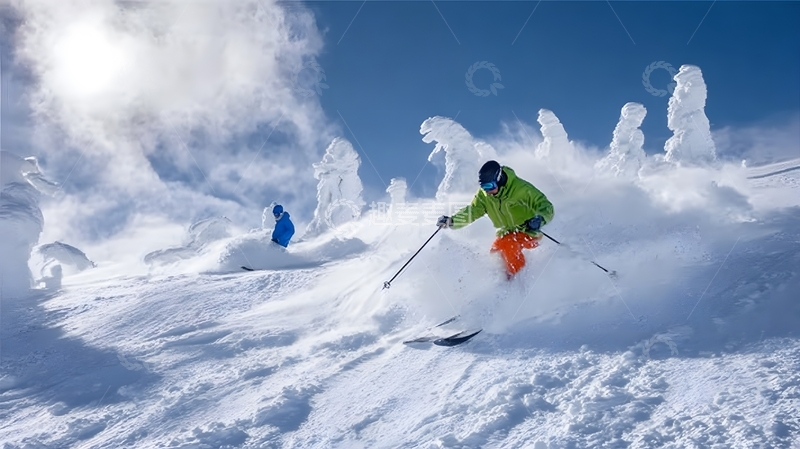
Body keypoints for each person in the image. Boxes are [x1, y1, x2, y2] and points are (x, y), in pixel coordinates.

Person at [436, 160, 554, 279]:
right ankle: (505, 282)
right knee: (495, 253)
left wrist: (540, 219)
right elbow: (473, 211)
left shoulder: (521, 189)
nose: (487, 191)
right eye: (483, 187)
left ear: (499, 179)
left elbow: (546, 206)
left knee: (508, 245)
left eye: (489, 186)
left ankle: (522, 279)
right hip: (507, 232)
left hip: (529, 231)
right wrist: (452, 221)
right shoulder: (485, 196)